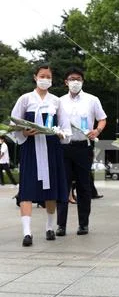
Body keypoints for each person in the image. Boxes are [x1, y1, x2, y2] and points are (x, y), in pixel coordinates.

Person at [11, 64, 71, 247]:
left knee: (51, 190)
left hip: (51, 148)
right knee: (27, 189)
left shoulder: (56, 101)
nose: (45, 79)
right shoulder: (25, 99)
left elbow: (65, 126)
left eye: (49, 76)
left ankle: (50, 227)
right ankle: (27, 232)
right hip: (30, 148)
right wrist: (24, 133)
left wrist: (62, 134)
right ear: (35, 77)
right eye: (42, 75)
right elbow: (14, 123)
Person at [56, 67, 107, 236]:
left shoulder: (92, 100)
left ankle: (83, 224)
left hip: (83, 147)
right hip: (64, 147)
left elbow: (102, 119)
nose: (75, 82)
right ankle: (61, 225)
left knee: (84, 186)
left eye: (78, 79)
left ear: (83, 81)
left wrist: (97, 131)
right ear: (66, 82)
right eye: (72, 78)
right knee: (63, 186)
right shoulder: (59, 101)